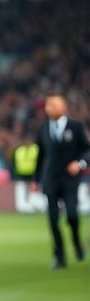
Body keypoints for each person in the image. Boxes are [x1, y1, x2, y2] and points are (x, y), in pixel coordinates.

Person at [33, 92, 90, 268]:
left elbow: (87, 151)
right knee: (53, 219)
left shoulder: (76, 126)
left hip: (70, 180)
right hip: (50, 179)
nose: (50, 108)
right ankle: (60, 256)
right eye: (48, 105)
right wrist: (36, 179)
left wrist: (80, 164)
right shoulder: (43, 129)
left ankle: (76, 242)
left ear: (63, 107)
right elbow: (41, 156)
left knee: (72, 215)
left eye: (54, 104)